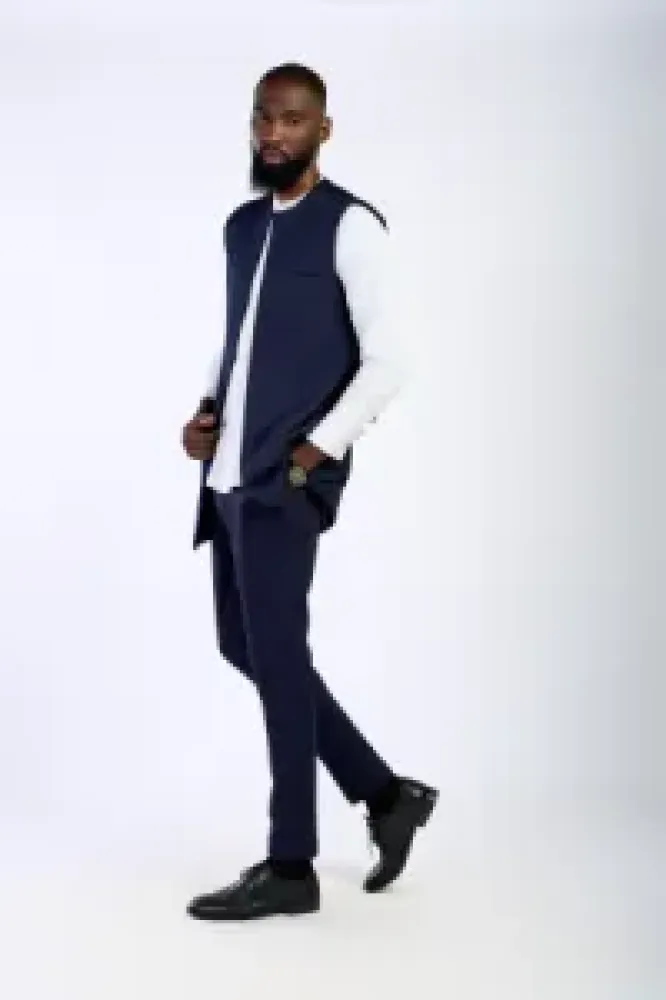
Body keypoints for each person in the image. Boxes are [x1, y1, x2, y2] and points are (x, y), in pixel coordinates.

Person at [181, 62, 437, 921]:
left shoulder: (351, 226)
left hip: (286, 481)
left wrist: (313, 451)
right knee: (246, 646)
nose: (273, 134)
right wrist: (205, 411)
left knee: (281, 661)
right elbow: (239, 337)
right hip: (229, 474)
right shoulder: (242, 225)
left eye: (291, 120)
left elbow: (389, 361)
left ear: (322, 129)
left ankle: (291, 864)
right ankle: (386, 795)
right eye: (263, 118)